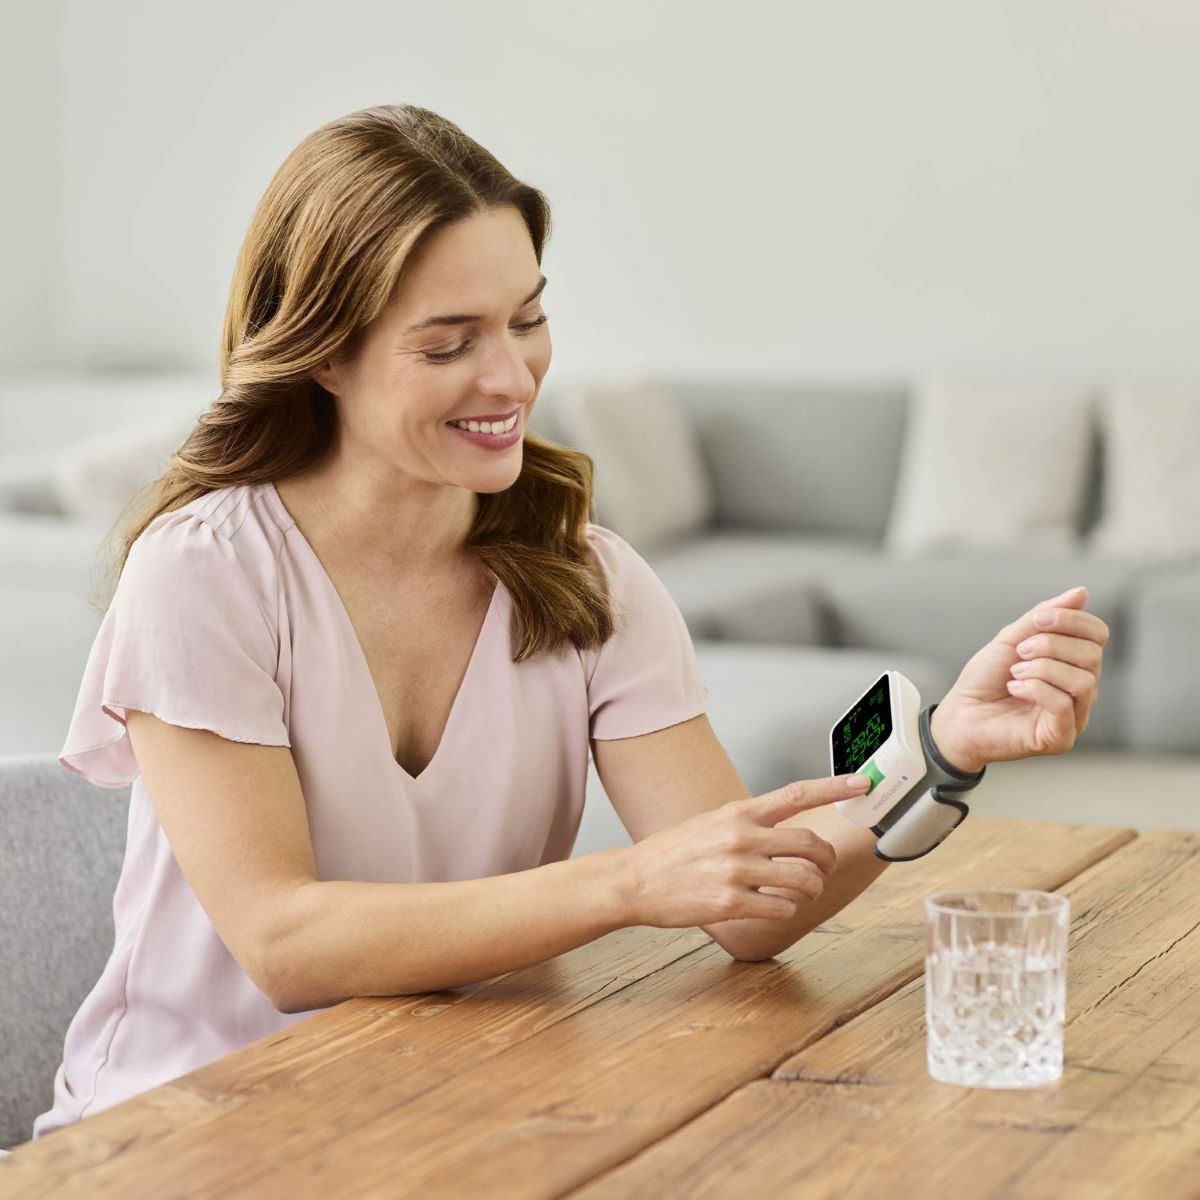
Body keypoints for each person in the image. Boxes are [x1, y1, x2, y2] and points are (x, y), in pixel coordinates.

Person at [31, 104, 1108, 1140]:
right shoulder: (206, 573)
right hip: (181, 1131)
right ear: (326, 353)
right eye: (448, 342)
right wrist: (628, 885)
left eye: (528, 318)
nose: (511, 376)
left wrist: (944, 754)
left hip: (454, 1118)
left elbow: (747, 905)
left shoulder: (588, 579)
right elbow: (285, 941)